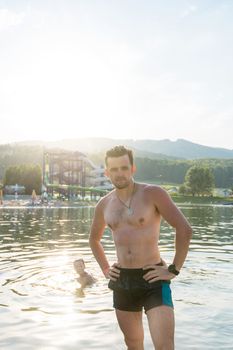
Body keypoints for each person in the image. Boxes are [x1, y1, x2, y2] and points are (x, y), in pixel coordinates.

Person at [89, 145, 192, 350]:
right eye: (114, 169)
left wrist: (173, 270)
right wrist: (106, 269)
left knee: (164, 346)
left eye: (124, 168)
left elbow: (184, 229)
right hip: (123, 281)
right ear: (107, 172)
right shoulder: (104, 204)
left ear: (133, 168)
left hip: (153, 278)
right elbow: (94, 239)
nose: (120, 173)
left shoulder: (153, 194)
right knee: (134, 344)